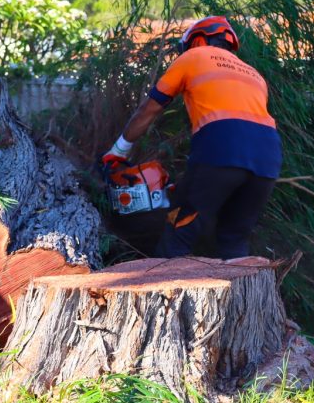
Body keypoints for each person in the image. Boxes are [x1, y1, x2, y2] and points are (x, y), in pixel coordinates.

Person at [101, 16, 282, 259]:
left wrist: (118, 151)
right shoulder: (255, 75)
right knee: (234, 238)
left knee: (179, 228)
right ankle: (243, 296)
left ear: (197, 40)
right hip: (268, 157)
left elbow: (149, 110)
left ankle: (166, 291)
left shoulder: (192, 57)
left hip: (222, 146)